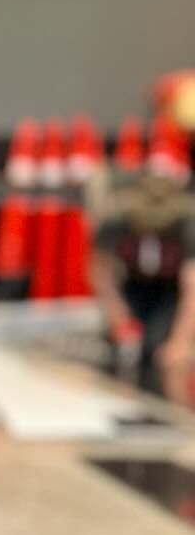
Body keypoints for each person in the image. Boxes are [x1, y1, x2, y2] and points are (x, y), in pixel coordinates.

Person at [91, 169, 195, 402]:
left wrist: (180, 341)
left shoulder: (186, 226)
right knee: (119, 349)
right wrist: (117, 315)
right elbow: (101, 272)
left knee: (159, 350)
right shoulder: (116, 222)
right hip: (133, 286)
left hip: (169, 291)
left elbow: (192, 288)